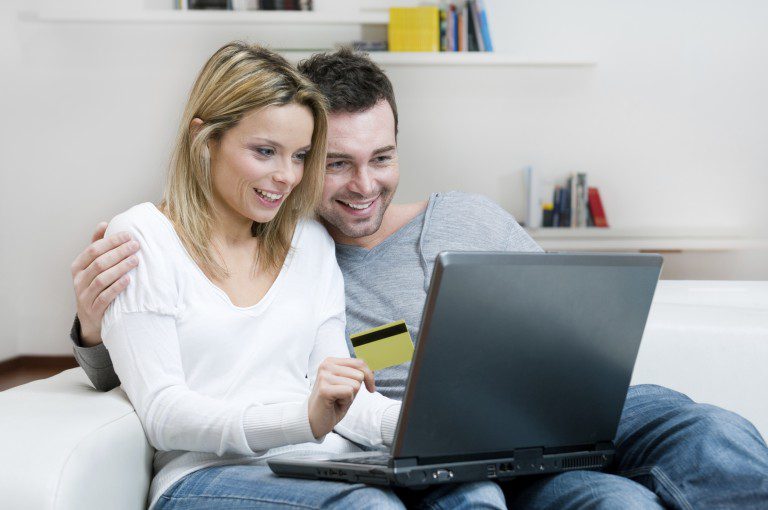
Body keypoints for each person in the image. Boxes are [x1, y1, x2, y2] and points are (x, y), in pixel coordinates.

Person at [70, 48, 768, 509]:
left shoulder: (466, 216)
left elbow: (574, 317)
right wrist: (92, 333)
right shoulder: (311, 249)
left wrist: (576, 360)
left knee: (709, 431)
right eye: (334, 163)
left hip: (545, 413)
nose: (362, 185)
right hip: (420, 442)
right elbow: (185, 359)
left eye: (381, 157)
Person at [81, 42, 505, 510]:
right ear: (204, 139)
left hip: (326, 462)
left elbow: (346, 401)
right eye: (266, 151)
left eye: (301, 156)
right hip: (211, 475)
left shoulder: (309, 242)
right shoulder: (142, 238)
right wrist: (304, 419)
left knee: (474, 494)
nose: (287, 176)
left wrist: (441, 425)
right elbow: (164, 413)